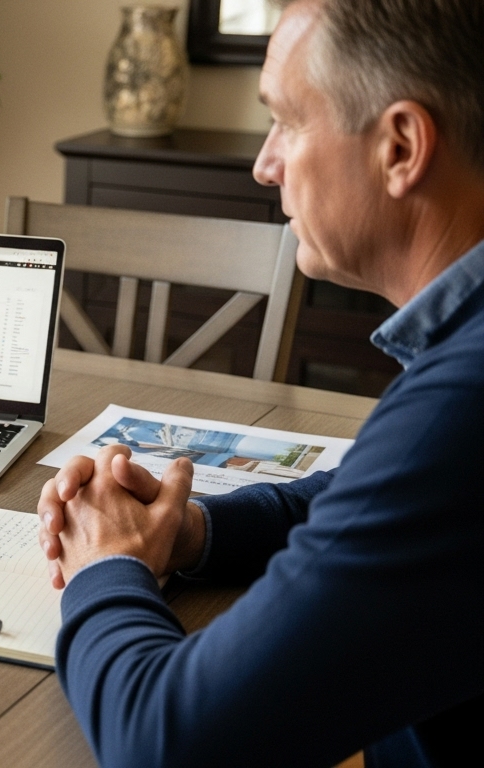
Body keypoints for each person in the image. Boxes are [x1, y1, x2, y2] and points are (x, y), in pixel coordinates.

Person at [36, 0, 483, 765]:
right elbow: (374, 496)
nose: (264, 163)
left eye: (286, 121)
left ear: (401, 147)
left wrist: (105, 565)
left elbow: (164, 741)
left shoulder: (464, 405)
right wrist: (195, 531)